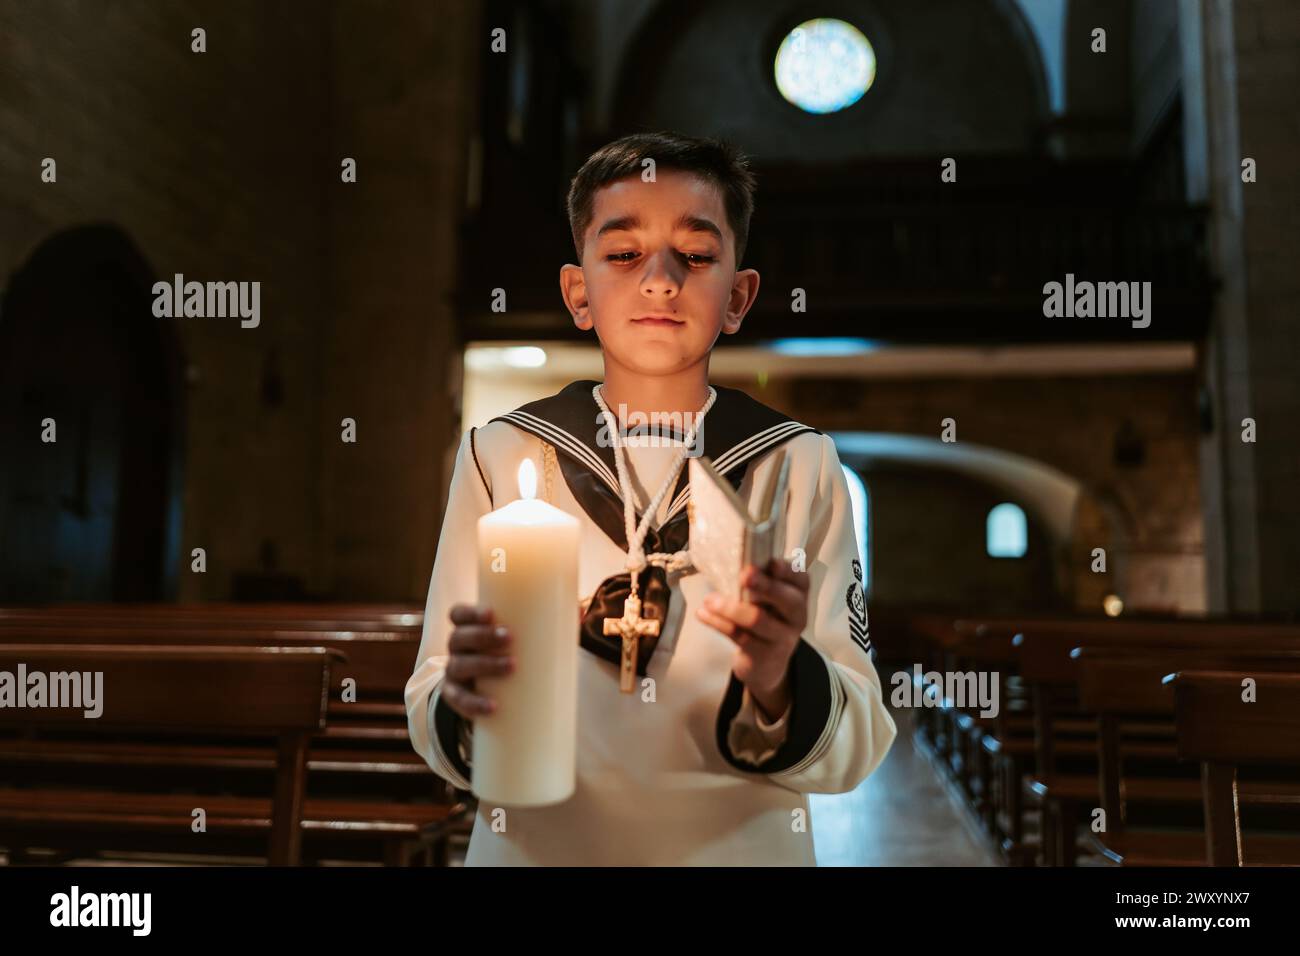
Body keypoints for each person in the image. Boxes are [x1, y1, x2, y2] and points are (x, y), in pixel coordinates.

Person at [405, 130, 896, 865]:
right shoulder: (501, 453)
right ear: (579, 292)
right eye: (624, 253)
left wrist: (776, 677)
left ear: (737, 297)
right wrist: (469, 697)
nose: (661, 279)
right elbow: (431, 693)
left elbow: (858, 739)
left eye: (696, 255)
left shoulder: (797, 464)